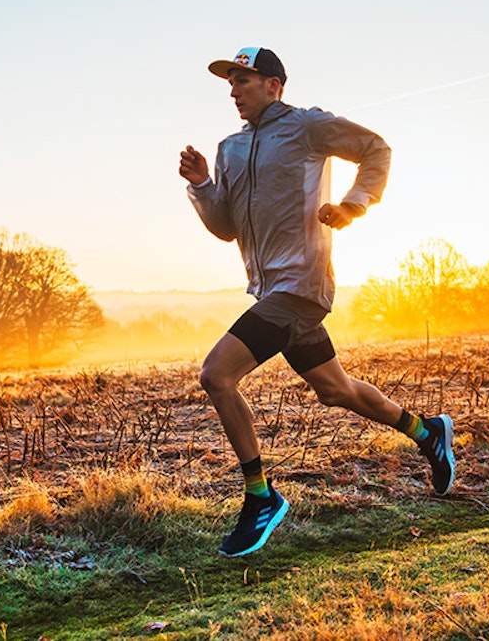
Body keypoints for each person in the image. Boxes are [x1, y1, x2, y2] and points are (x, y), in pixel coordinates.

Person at [179, 46, 456, 558]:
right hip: (269, 289)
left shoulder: (307, 128)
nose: (235, 90)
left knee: (217, 375)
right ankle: (427, 432)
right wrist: (202, 186)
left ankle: (260, 495)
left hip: (301, 285)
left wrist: (354, 204)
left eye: (244, 79)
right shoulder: (230, 149)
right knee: (336, 389)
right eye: (231, 83)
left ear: (274, 85)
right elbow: (225, 229)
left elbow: (377, 150)